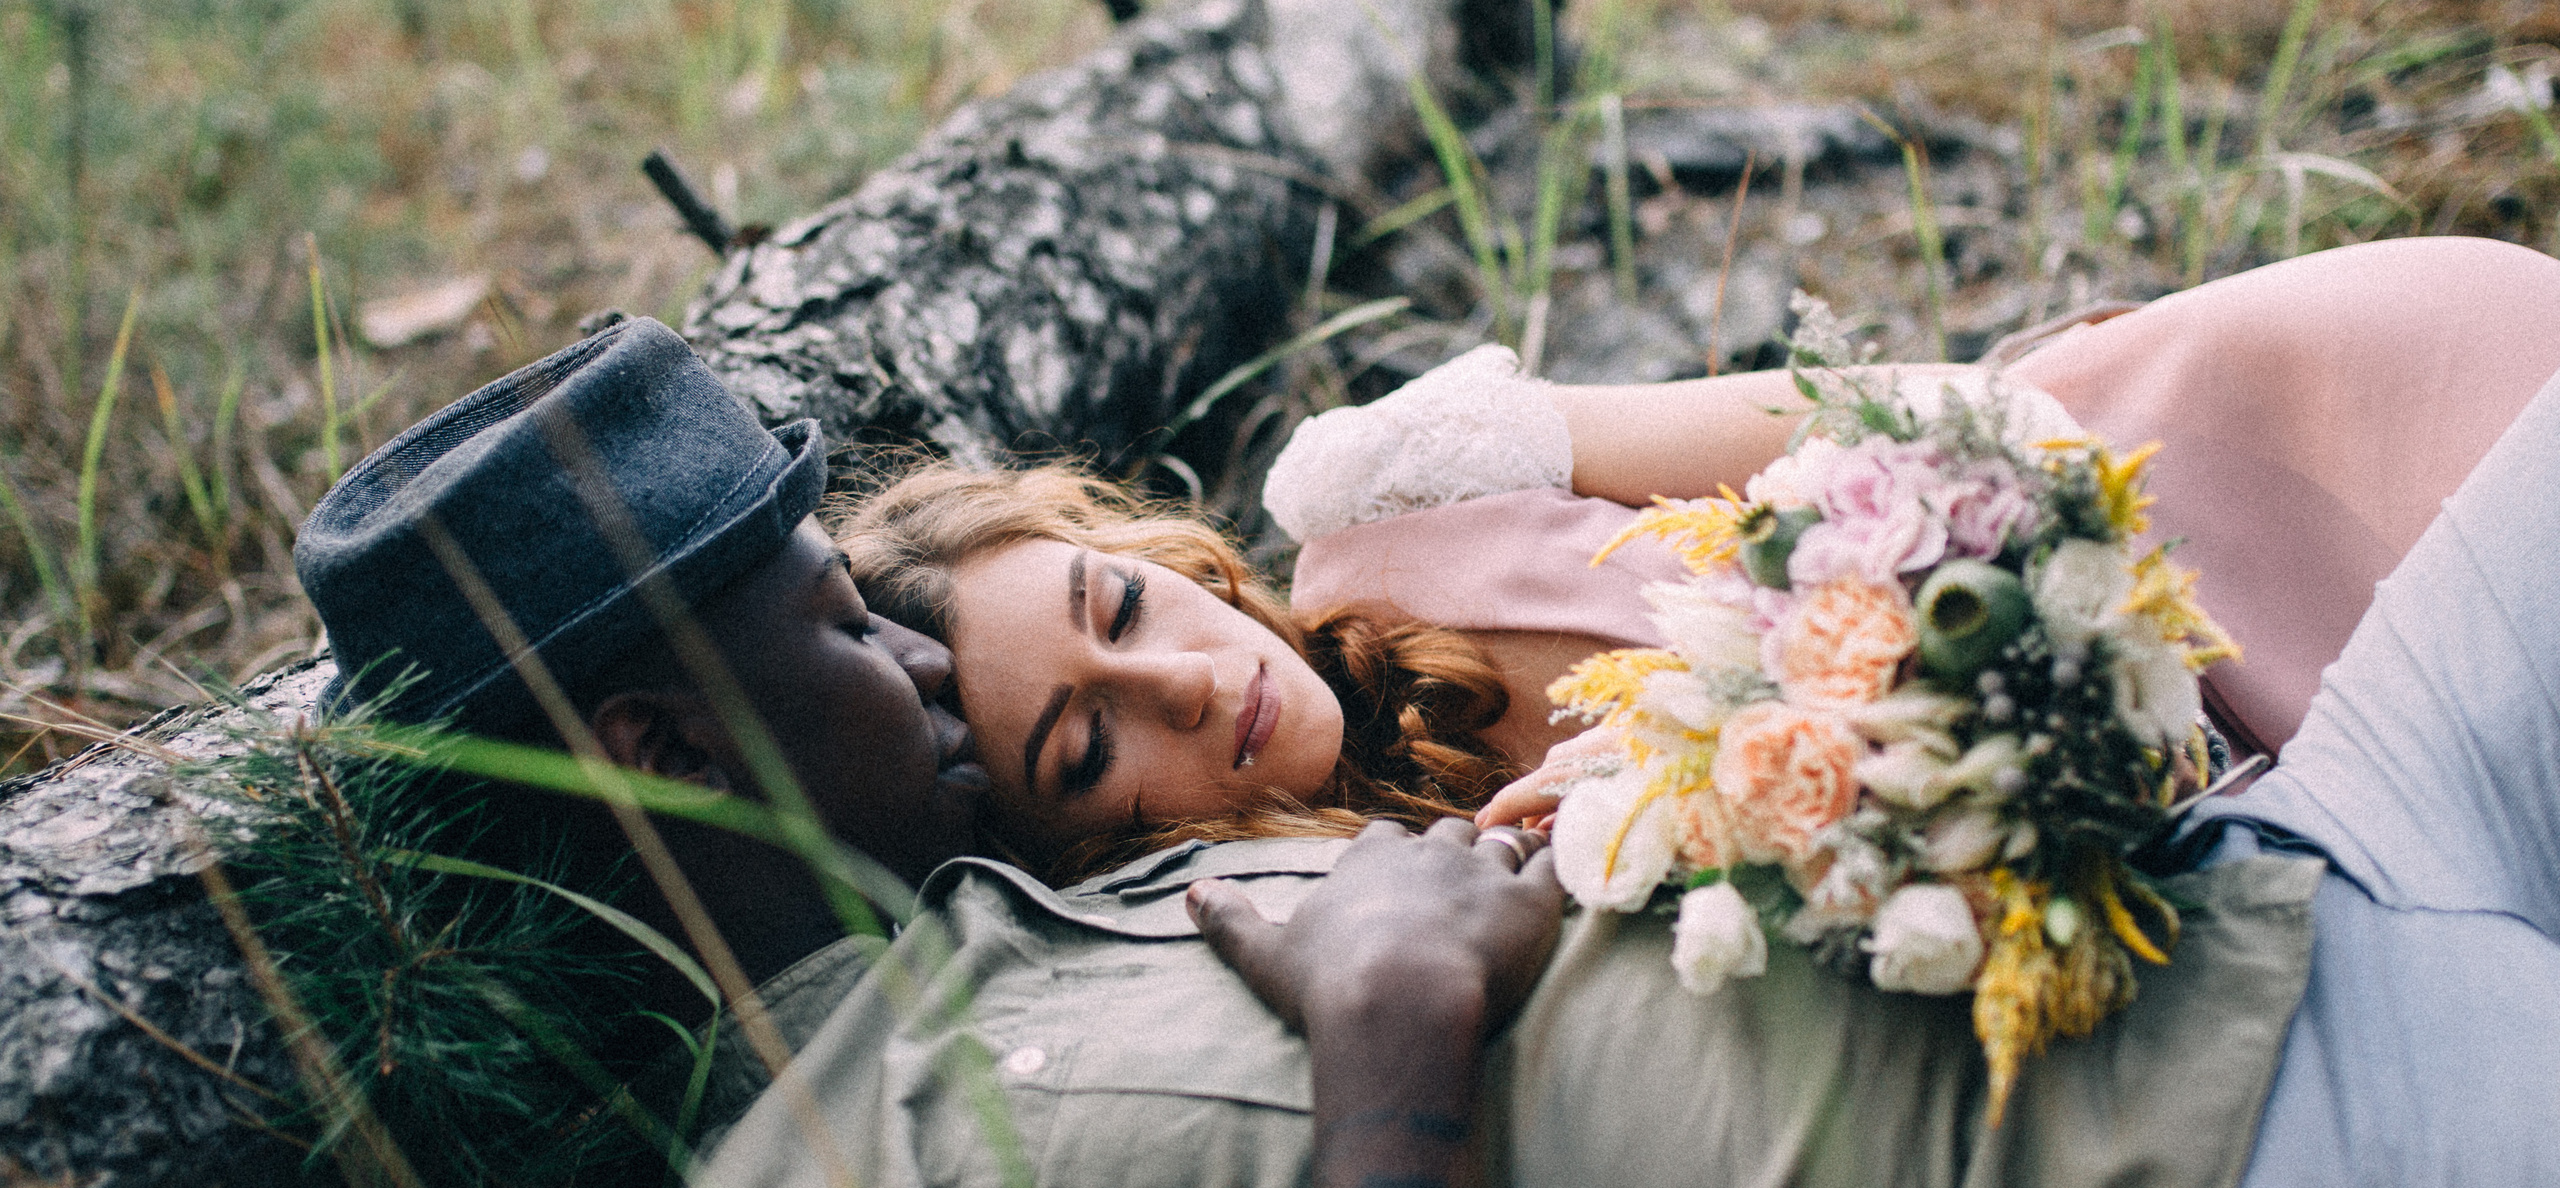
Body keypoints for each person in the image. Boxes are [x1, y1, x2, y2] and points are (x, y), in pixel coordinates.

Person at [302, 305, 2553, 1188]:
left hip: (2291, 862)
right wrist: (1396, 1075)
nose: (925, 672)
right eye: (846, 630)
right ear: (662, 752)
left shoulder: (1069, 865)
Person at [838, 236, 2560, 884]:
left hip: (2209, 476)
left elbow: (1893, 411)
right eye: (1090, 743)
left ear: (1147, 553)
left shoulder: (1382, 496)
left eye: (1118, 605)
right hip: (2186, 796)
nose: (1184, 677)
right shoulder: (1356, 915)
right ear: (1069, 850)